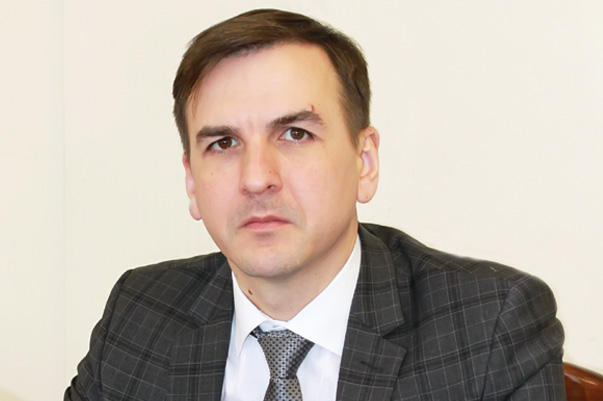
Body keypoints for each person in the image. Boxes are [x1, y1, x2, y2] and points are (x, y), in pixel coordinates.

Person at [65, 8, 566, 401]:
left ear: (364, 162)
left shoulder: (489, 325)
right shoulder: (140, 313)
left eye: (295, 134)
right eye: (223, 143)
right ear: (192, 182)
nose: (257, 178)